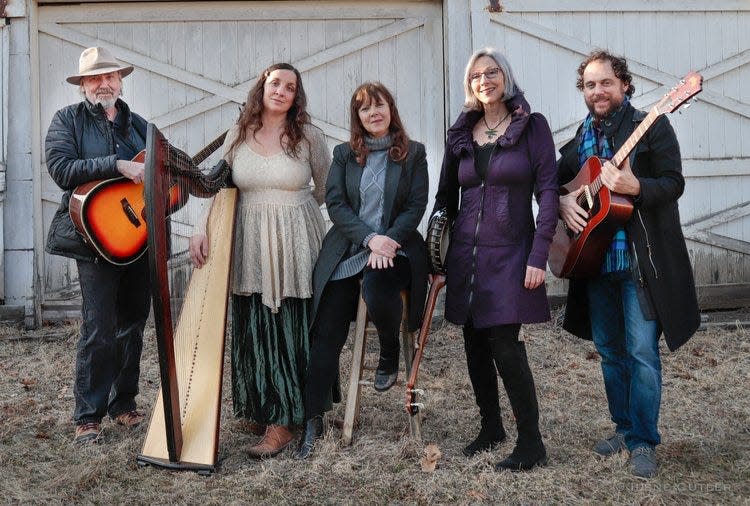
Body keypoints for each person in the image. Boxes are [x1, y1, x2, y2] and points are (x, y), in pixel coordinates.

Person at [557, 50, 700, 478]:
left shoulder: (651, 126)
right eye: (590, 85)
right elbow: (552, 182)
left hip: (639, 263)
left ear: (623, 84)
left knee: (641, 353)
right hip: (594, 263)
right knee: (609, 352)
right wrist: (564, 200)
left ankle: (643, 441)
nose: (598, 91)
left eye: (605, 83)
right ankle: (622, 428)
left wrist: (638, 186)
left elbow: (673, 183)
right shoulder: (580, 136)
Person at [189, 63, 331, 458]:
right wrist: (201, 227)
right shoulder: (238, 133)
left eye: (290, 86)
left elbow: (325, 190)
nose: (281, 91)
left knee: (288, 321)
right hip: (248, 237)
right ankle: (262, 405)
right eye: (275, 83)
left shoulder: (309, 138)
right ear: (262, 88)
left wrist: (289, 212)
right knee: (255, 320)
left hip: (294, 239)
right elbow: (219, 186)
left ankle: (284, 419)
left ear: (296, 96)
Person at [432, 48, 558, 471]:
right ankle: (491, 427)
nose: (485, 80)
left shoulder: (532, 127)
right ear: (470, 85)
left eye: (492, 72)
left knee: (505, 343)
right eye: (476, 76)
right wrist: (437, 258)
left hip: (512, 252)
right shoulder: (462, 132)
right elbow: (445, 198)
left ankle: (531, 442)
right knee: (473, 342)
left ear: (505, 76)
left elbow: (548, 194)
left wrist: (538, 255)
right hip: (466, 255)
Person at [294, 82, 430, 459]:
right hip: (350, 247)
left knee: (377, 285)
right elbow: (336, 205)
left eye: (379, 105)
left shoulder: (413, 153)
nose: (374, 113)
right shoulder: (343, 154)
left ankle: (388, 349)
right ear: (357, 118)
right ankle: (312, 421)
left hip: (398, 249)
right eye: (365, 109)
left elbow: (416, 205)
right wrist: (370, 240)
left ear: (391, 108)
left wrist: (388, 241)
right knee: (325, 329)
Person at [45, 47, 150, 443]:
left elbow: (164, 177)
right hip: (94, 240)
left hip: (137, 239)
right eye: (94, 78)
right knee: (98, 327)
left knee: (133, 322)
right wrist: (117, 165)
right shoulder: (67, 121)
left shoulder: (140, 126)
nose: (103, 83)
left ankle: (123, 403)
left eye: (110, 76)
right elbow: (61, 169)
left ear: (121, 80)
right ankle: (88, 415)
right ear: (83, 85)